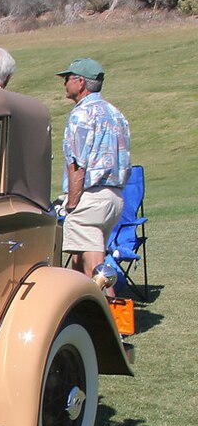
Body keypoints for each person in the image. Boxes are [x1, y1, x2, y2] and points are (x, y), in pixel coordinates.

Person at [56, 57, 131, 295]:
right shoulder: (116, 114)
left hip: (90, 196)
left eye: (67, 79)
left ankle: (111, 320)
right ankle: (78, 313)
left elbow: (77, 164)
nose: (64, 83)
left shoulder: (82, 115)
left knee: (96, 269)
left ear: (80, 82)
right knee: (81, 258)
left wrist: (72, 203)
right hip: (115, 197)